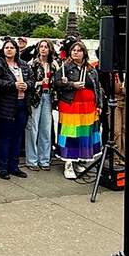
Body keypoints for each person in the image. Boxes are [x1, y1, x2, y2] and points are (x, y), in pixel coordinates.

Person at [53, 41, 103, 179]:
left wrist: (99, 104)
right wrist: (71, 84)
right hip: (71, 105)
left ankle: (80, 160)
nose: (76, 52)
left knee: (84, 133)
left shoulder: (91, 69)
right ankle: (68, 162)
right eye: (73, 50)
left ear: (84, 53)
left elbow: (97, 88)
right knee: (70, 133)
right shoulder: (65, 67)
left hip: (88, 106)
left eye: (79, 50)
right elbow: (55, 83)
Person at [0, 38, 33, 179]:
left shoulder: (24, 65)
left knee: (17, 137)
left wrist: (27, 84)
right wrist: (13, 85)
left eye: (12, 47)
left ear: (16, 50)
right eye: (6, 47)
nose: (9, 49)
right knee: (4, 137)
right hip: (4, 106)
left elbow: (32, 79)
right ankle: (1, 167)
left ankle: (14, 166)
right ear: (3, 50)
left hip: (22, 105)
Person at [25, 39, 58, 171]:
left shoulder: (54, 64)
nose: (43, 49)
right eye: (41, 47)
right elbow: (28, 82)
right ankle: (32, 160)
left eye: (46, 47)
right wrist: (39, 83)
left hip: (48, 96)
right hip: (36, 97)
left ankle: (44, 159)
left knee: (46, 129)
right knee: (33, 129)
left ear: (50, 49)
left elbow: (58, 81)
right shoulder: (32, 64)